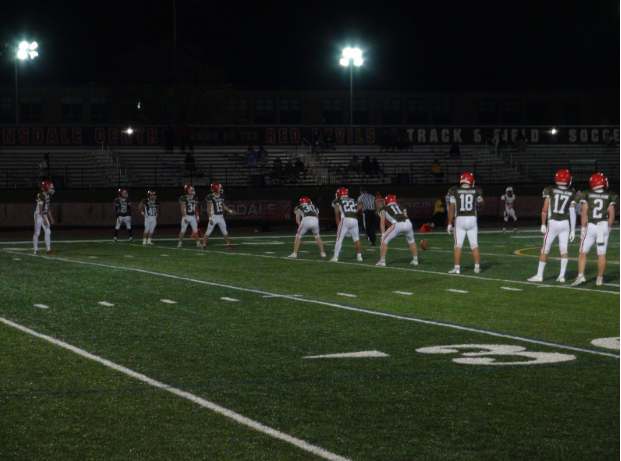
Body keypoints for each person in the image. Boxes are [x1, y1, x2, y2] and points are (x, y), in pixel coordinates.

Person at [527, 169, 578, 283]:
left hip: (553, 222)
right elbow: (573, 212)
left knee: (545, 249)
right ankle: (561, 276)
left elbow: (545, 209)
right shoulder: (572, 193)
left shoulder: (550, 190)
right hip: (565, 223)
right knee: (564, 250)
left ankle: (539, 275)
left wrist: (542, 223)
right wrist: (573, 230)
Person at [572, 173, 617, 286]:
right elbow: (611, 215)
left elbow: (584, 214)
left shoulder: (587, 194)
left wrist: (582, 229)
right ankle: (599, 279)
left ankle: (581, 276)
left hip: (591, 226)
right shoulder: (609, 195)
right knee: (601, 254)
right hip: (603, 225)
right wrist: (609, 227)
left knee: (583, 252)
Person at [447, 172, 484, 274]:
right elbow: (481, 203)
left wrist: (449, 223)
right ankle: (477, 267)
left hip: (460, 219)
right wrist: (478, 198)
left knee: (458, 245)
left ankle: (457, 268)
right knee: (474, 244)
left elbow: (451, 209)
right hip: (472, 219)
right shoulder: (475, 191)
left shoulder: (455, 191)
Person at [376, 194, 419, 267]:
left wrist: (383, 233)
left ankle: (382, 261)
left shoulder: (384, 208)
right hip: (408, 222)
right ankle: (415, 260)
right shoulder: (401, 207)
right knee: (412, 241)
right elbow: (405, 216)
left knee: (384, 240)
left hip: (398, 224)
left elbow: (382, 221)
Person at [330, 187, 363, 262]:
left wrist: (339, 226)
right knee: (356, 238)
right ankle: (359, 257)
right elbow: (359, 208)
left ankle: (335, 257)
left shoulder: (337, 201)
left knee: (339, 238)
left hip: (345, 219)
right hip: (355, 219)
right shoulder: (353, 200)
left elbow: (336, 214)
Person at [202, 182, 236, 250]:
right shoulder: (210, 197)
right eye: (219, 188)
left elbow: (224, 206)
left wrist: (231, 211)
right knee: (208, 232)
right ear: (215, 188)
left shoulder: (221, 196)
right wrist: (210, 218)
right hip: (214, 217)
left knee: (225, 231)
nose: (220, 189)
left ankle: (228, 245)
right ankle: (204, 245)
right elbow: (208, 209)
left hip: (220, 217)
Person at [33, 181, 55, 255]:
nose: (51, 189)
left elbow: (48, 208)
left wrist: (51, 218)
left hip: (44, 215)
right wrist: (45, 220)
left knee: (48, 231)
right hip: (38, 215)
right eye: (50, 187)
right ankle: (35, 249)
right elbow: (41, 209)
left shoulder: (48, 196)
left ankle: (48, 249)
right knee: (37, 232)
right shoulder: (41, 196)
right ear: (46, 188)